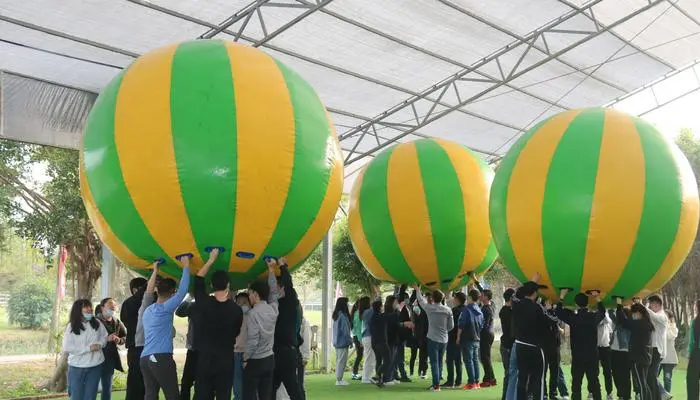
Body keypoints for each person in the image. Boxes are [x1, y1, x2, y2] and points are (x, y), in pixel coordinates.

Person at [193, 248, 243, 400]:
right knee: (223, 396)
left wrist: (211, 259)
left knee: (201, 395)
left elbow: (199, 278)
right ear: (228, 285)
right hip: (225, 360)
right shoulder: (236, 310)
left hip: (205, 359)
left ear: (212, 285)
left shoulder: (204, 303)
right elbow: (236, 332)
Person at [141, 256, 191, 400]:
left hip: (144, 359)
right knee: (173, 395)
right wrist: (186, 266)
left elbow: (148, 291)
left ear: (158, 290)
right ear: (172, 293)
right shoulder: (165, 308)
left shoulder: (148, 310)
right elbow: (183, 291)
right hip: (161, 357)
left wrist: (155, 270)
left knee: (150, 395)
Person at [555, 289, 605, 400]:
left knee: (576, 384)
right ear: (588, 304)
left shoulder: (574, 318)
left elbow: (558, 311)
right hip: (592, 355)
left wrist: (562, 296)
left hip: (578, 356)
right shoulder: (592, 317)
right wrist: (597, 297)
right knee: (595, 383)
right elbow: (602, 311)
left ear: (576, 304)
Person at [513, 280, 557, 400]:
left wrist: (531, 281)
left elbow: (515, 295)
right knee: (538, 379)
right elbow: (552, 321)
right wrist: (550, 309)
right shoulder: (537, 307)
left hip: (520, 347)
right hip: (534, 348)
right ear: (535, 294)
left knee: (522, 378)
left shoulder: (516, 304)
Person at [243, 259, 279, 400]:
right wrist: (271, 269)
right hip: (269, 359)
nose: (249, 296)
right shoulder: (273, 309)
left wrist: (245, 359)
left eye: (250, 293)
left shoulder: (253, 313)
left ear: (256, 294)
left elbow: (253, 339)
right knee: (266, 396)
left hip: (255, 361)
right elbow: (274, 292)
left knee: (249, 395)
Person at [271, 257, 304, 400]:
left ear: (282, 287)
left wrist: (283, 266)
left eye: (278, 287)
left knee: (292, 387)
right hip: (277, 352)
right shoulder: (277, 304)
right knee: (271, 387)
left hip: (286, 353)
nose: (275, 290)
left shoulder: (290, 303)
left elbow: (289, 285)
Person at [63, 299, 108, 400]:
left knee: (91, 396)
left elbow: (105, 337)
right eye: (85, 307)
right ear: (78, 310)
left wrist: (100, 344)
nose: (89, 309)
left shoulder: (97, 323)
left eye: (90, 306)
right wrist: (88, 348)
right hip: (77, 367)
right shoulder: (71, 326)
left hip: (95, 365)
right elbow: (67, 347)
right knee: (76, 396)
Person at [412, 285, 454, 392]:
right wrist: (445, 331)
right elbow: (451, 326)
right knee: (439, 361)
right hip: (444, 339)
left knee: (434, 362)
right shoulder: (448, 310)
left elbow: (420, 300)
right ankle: (438, 381)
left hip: (432, 338)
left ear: (432, 298)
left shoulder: (429, 308)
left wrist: (417, 289)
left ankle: (436, 385)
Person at [616, 298, 654, 400]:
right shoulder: (647, 323)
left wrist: (619, 306)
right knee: (644, 383)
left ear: (638, 313)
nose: (632, 316)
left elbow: (624, 322)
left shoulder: (638, 324)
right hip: (646, 357)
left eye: (633, 314)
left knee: (641, 384)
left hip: (638, 358)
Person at [121, 277, 148, 400]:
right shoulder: (129, 304)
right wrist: (150, 282)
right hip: (136, 348)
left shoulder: (149, 302)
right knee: (135, 382)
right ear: (135, 290)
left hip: (148, 347)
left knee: (148, 383)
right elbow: (137, 300)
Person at [96, 298, 126, 400]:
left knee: (107, 387)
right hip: (94, 358)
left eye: (114, 306)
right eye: (110, 305)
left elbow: (126, 336)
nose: (113, 307)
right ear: (102, 307)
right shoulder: (94, 322)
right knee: (90, 387)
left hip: (109, 359)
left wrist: (119, 340)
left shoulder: (117, 322)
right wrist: (106, 339)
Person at [457, 289, 484, 390]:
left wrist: (458, 336)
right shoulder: (479, 310)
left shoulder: (466, 309)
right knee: (475, 360)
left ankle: (471, 382)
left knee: (468, 360)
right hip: (476, 338)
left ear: (470, 297)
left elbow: (461, 324)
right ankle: (476, 382)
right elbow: (482, 324)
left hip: (467, 337)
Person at [646, 295, 669, 400]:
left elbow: (653, 316)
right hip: (653, 349)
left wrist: (643, 305)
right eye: (651, 305)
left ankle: (658, 397)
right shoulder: (654, 315)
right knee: (650, 376)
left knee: (651, 376)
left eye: (653, 304)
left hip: (658, 351)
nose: (651, 306)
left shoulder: (662, 316)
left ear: (658, 304)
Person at [175, 294, 197, 400]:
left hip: (206, 351)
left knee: (202, 383)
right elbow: (179, 312)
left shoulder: (211, 304)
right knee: (186, 382)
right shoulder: (193, 306)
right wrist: (190, 297)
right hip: (193, 350)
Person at [443, 292, 466, 389]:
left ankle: (450, 380)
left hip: (453, 337)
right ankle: (458, 380)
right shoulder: (465, 310)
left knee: (450, 359)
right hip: (462, 338)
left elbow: (450, 324)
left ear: (457, 299)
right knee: (458, 360)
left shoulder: (455, 310)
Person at [610, 308, 632, 400]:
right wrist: (610, 308)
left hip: (625, 352)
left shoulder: (628, 324)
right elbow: (611, 315)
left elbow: (619, 319)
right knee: (615, 374)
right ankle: (621, 395)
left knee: (625, 376)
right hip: (614, 352)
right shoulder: (617, 323)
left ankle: (626, 396)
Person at [233, 292, 251, 400]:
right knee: (237, 385)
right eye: (239, 302)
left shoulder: (252, 317)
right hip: (235, 354)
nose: (242, 305)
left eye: (244, 302)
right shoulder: (234, 317)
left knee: (248, 385)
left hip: (248, 354)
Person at [333, 297, 352, 386]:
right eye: (347, 303)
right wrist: (350, 340)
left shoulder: (337, 315)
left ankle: (339, 378)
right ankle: (339, 379)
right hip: (343, 342)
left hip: (337, 341)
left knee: (339, 360)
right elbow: (345, 330)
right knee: (342, 361)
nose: (348, 305)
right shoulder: (343, 316)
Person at [409, 293, 429, 379]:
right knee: (420, 355)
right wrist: (416, 290)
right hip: (418, 335)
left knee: (423, 355)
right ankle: (417, 371)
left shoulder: (427, 310)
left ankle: (422, 371)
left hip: (424, 335)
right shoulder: (416, 309)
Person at [500, 288, 515, 400]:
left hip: (506, 344)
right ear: (511, 298)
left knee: (509, 373)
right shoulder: (507, 312)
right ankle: (506, 396)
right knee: (509, 373)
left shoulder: (504, 310)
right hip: (508, 345)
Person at [480, 289, 497, 388]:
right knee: (486, 357)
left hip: (485, 334)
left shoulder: (485, 309)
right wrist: (475, 281)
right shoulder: (492, 304)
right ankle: (491, 378)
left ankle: (489, 379)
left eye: (481, 295)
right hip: (490, 333)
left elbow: (484, 324)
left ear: (486, 297)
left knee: (485, 358)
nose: (480, 296)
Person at [659, 311, 678, 398]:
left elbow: (669, 336)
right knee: (653, 376)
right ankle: (660, 394)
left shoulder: (674, 328)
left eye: (666, 316)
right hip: (658, 357)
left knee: (667, 379)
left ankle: (666, 396)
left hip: (669, 359)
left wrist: (667, 325)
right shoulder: (659, 326)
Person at [598, 306, 615, 400]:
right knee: (593, 371)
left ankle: (609, 393)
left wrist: (602, 309)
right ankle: (591, 391)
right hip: (595, 348)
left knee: (607, 372)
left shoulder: (606, 317)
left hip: (605, 347)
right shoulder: (592, 316)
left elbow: (607, 320)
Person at [395, 291, 412, 382]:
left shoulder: (407, 308)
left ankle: (397, 374)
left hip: (402, 336)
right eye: (405, 298)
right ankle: (401, 374)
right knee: (399, 356)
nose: (407, 300)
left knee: (398, 356)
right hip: (398, 336)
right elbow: (396, 323)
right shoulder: (398, 310)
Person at [360, 295, 377, 384]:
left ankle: (367, 376)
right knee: (369, 358)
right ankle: (366, 377)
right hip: (369, 336)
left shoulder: (364, 312)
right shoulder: (369, 311)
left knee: (370, 357)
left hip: (366, 337)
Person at [351, 298, 367, 380]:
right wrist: (360, 340)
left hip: (358, 337)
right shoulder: (357, 314)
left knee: (360, 355)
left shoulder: (359, 313)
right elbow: (357, 328)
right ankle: (354, 372)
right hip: (358, 337)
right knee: (359, 355)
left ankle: (355, 372)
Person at [687, 300, 700, 400]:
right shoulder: (694, 321)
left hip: (695, 354)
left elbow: (691, 341)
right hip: (696, 352)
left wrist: (690, 354)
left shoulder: (694, 321)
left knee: (692, 381)